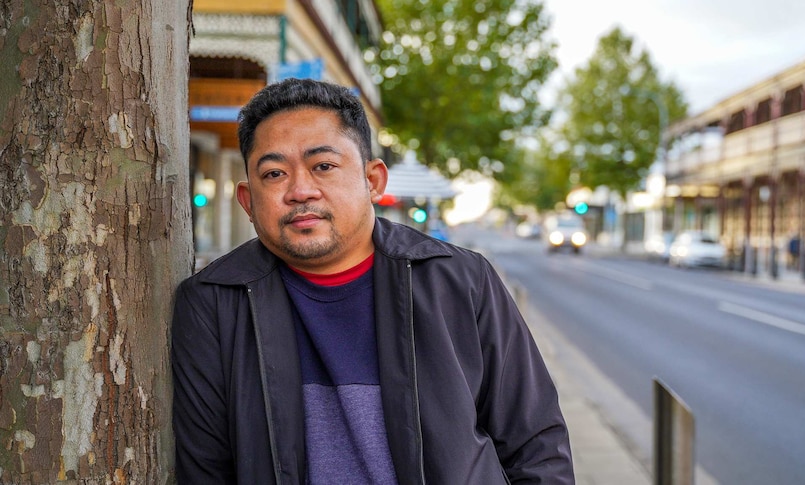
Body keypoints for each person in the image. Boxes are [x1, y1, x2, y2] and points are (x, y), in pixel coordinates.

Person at [171, 78, 575, 484]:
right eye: (274, 173)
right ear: (248, 201)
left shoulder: (460, 282)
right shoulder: (214, 303)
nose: (300, 190)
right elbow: (206, 470)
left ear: (373, 181)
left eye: (323, 166)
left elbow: (536, 446)